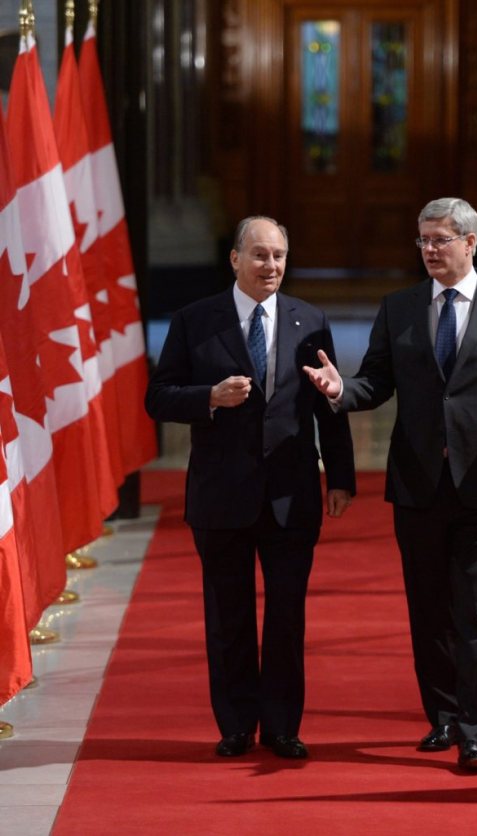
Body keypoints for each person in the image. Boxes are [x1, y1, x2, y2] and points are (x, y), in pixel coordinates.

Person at [304, 197, 477, 771]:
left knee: (476, 613)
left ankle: (474, 731)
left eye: (440, 239)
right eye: (422, 240)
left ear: (470, 243)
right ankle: (442, 717)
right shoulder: (399, 308)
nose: (428, 249)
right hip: (419, 482)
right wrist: (337, 390)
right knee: (428, 610)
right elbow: (375, 383)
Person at [146, 215, 356, 760]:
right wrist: (209, 398)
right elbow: (159, 396)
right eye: (260, 255)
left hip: (292, 494)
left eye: (280, 256)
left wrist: (342, 476)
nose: (271, 266)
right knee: (228, 615)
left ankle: (283, 726)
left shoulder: (309, 320)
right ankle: (237, 723)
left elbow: (328, 405)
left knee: (287, 615)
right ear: (235, 260)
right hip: (221, 494)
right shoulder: (195, 320)